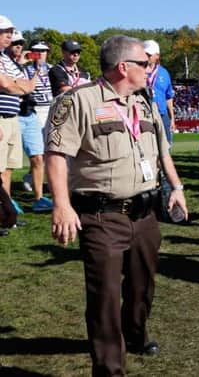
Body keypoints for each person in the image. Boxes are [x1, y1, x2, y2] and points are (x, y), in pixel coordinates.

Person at [45, 35, 188, 376]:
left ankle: (134, 335)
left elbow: (162, 150)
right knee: (105, 298)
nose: (150, 67)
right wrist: (61, 205)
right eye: (144, 63)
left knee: (142, 287)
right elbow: (55, 154)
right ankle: (110, 367)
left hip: (146, 213)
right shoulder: (80, 100)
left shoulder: (145, 100)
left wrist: (177, 186)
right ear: (124, 67)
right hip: (101, 215)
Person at [7, 33, 53, 212]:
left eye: (42, 52)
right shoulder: (14, 65)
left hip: (29, 113)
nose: (38, 55)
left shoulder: (48, 68)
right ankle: (7, 200)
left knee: (38, 157)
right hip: (13, 114)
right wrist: (24, 66)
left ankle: (39, 198)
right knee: (9, 163)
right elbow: (24, 87)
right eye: (35, 51)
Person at [0, 22, 37, 216]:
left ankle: (6, 212)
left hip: (12, 117)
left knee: (7, 169)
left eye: (10, 32)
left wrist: (17, 84)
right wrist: (15, 85)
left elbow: (26, 84)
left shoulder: (6, 60)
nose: (9, 36)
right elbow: (7, 84)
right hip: (1, 118)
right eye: (4, 32)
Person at [144, 40, 175, 145]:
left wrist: (172, 119)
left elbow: (169, 97)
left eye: (149, 54)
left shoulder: (164, 73)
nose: (146, 56)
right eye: (145, 54)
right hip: (144, 115)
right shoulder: (138, 71)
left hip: (162, 114)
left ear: (157, 55)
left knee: (166, 146)